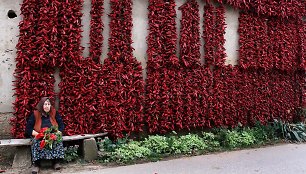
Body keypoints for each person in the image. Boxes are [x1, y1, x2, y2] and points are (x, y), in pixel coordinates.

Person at [25, 97, 65, 174]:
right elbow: (28, 128)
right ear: (41, 105)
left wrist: (58, 133)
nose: (47, 106)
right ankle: (37, 164)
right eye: (45, 104)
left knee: (57, 140)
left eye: (48, 104)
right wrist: (38, 134)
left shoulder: (54, 112)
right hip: (39, 134)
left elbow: (61, 125)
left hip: (52, 134)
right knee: (36, 142)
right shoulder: (35, 114)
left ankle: (56, 162)